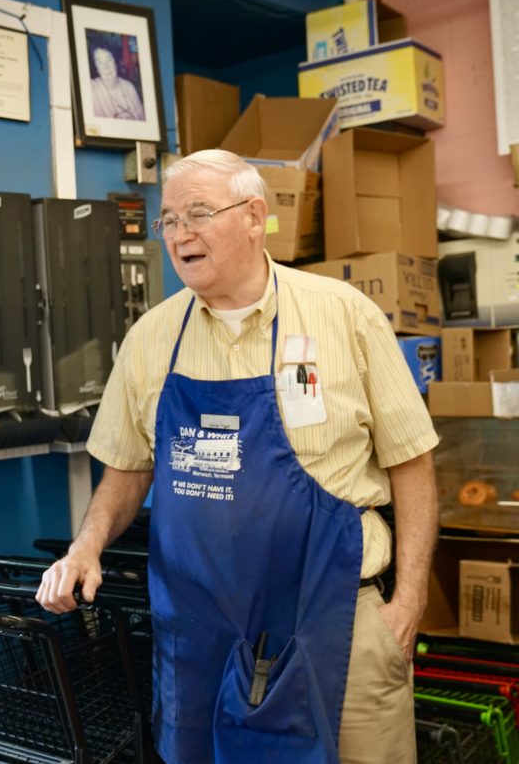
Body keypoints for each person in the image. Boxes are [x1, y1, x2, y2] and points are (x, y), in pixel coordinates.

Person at [37, 149, 438, 763]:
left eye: (198, 213)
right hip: (202, 635)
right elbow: (128, 468)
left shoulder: (343, 316)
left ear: (255, 216)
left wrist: (407, 602)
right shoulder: (151, 339)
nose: (180, 234)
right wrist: (85, 546)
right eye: (167, 220)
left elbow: (412, 461)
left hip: (338, 617)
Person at [89, 46, 146, 121]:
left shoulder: (129, 87)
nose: (106, 67)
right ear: (97, 69)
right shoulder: (91, 88)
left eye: (109, 60)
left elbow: (142, 119)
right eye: (100, 63)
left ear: (116, 63)